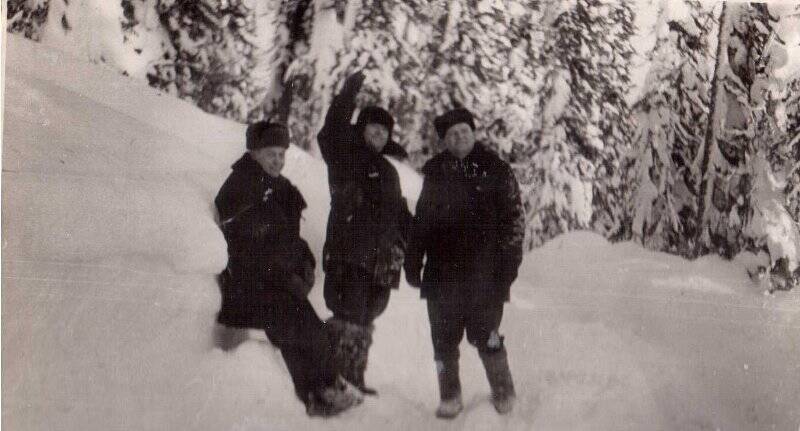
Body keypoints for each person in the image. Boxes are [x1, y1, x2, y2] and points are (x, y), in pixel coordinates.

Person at [214, 121, 362, 416]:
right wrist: (286, 273)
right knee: (302, 331)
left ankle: (324, 390)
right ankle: (320, 392)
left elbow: (286, 238)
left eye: (282, 154)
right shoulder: (241, 184)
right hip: (250, 287)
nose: (278, 161)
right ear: (254, 152)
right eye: (271, 153)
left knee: (308, 330)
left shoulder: (277, 187)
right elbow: (247, 244)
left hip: (275, 283)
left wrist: (302, 262)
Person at [404, 108, 525, 418]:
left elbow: (514, 222)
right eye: (452, 134)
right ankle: (450, 397)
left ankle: (504, 392)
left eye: (464, 131)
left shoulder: (496, 169)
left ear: (474, 133)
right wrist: (413, 261)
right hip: (442, 275)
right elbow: (422, 222)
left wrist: (507, 271)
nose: (459, 137)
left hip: (485, 275)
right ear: (444, 141)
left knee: (488, 336)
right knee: (443, 341)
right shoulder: (435, 173)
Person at [317, 71, 412, 395]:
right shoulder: (345, 154)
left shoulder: (389, 172)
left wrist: (418, 238)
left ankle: (352, 376)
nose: (380, 133)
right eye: (374, 126)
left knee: (370, 313)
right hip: (351, 251)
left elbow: (400, 213)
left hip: (383, 259)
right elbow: (330, 132)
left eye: (385, 130)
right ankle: (331, 377)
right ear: (362, 129)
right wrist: (348, 93)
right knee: (348, 311)